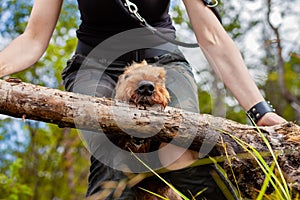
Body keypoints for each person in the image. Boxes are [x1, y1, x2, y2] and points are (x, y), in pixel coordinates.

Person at [0, 0, 286, 199]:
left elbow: (212, 36)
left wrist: (260, 111)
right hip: (94, 65)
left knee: (179, 148)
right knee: (113, 149)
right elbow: (34, 38)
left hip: (164, 61)